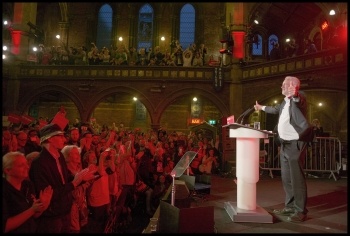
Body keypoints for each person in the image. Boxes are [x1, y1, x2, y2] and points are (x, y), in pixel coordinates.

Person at [254, 76, 312, 223]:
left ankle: (300, 211)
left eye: (284, 85)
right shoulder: (285, 102)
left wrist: (296, 94)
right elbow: (274, 110)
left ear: (292, 86)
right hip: (285, 144)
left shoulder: (299, 98)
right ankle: (290, 206)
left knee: (296, 179)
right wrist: (261, 108)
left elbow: (300, 100)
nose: (281, 87)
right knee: (287, 178)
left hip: (296, 144)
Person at [29, 123, 95, 233]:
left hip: (65, 210)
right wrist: (74, 183)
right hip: (52, 216)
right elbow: (48, 194)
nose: (64, 139)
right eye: (60, 136)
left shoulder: (59, 157)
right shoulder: (40, 163)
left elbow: (65, 179)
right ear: (49, 139)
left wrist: (81, 177)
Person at [3, 151, 53, 233]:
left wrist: (43, 206)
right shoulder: (5, 190)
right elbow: (5, 226)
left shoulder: (28, 185)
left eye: (26, 164)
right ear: (8, 170)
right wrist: (32, 210)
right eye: (21, 165)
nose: (27, 167)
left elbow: (34, 215)